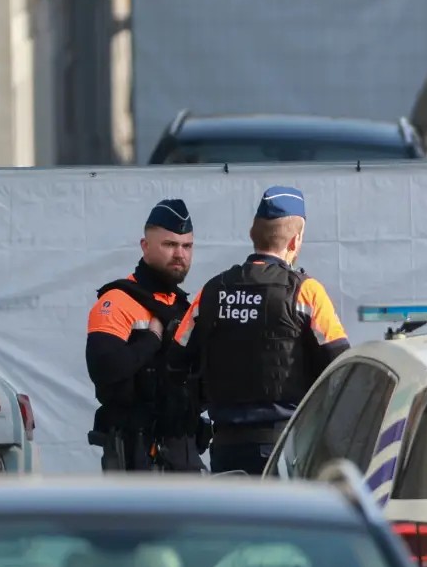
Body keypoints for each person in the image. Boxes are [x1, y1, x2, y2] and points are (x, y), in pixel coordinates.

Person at [175, 186, 349, 475]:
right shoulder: (305, 292)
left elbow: (177, 358)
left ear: (252, 233)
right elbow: (341, 364)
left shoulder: (211, 291)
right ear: (295, 239)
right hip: (285, 445)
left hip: (226, 447)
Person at [85, 199, 205, 472]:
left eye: (187, 246)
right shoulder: (117, 300)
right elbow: (105, 368)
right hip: (136, 450)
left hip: (181, 449)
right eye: (170, 244)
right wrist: (151, 340)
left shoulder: (183, 306)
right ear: (145, 246)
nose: (180, 254)